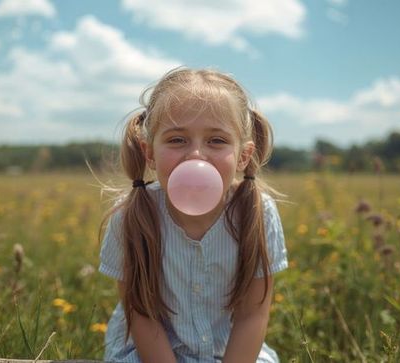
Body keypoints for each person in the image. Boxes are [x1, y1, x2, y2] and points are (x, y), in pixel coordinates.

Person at [99, 67, 288, 363]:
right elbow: (141, 315)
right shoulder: (130, 216)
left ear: (243, 156)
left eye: (216, 141)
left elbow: (253, 314)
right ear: (150, 153)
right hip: (147, 354)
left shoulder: (258, 212)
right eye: (177, 140)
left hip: (229, 352)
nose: (196, 155)